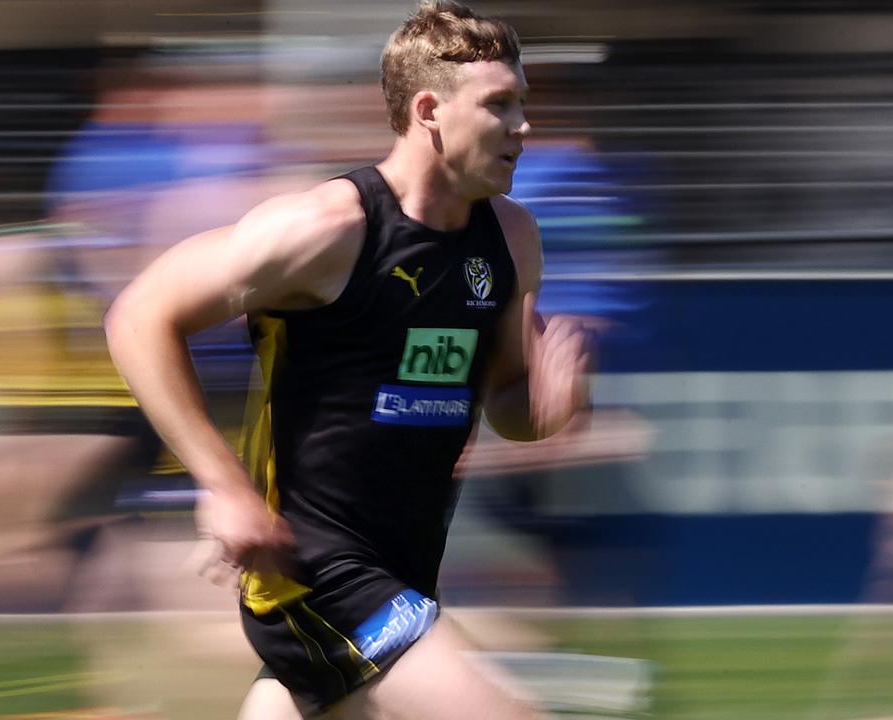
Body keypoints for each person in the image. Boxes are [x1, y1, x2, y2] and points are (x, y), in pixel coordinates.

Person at [104, 2, 591, 718]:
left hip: (407, 563)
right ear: (430, 110)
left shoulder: (511, 240)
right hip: (311, 568)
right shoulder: (325, 230)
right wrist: (225, 487)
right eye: (501, 104)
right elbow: (140, 316)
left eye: (524, 102)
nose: (524, 126)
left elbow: (509, 406)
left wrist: (548, 405)